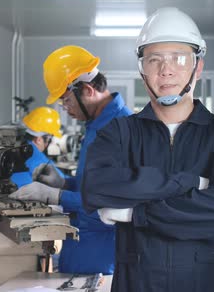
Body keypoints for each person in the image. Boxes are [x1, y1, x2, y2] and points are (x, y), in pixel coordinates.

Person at [81, 7, 214, 291]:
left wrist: (137, 214)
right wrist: (190, 182)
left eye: (179, 58)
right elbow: (95, 187)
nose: (166, 69)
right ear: (141, 68)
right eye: (154, 59)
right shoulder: (120, 133)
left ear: (198, 66)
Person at [9, 45, 132, 275]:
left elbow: (114, 203)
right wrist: (65, 182)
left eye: (66, 100)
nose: (65, 109)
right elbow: (94, 184)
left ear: (87, 90)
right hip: (80, 248)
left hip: (102, 257)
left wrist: (57, 196)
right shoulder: (95, 126)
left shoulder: (122, 130)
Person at [10, 106, 66, 188]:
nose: (49, 143)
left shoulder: (16, 148)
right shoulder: (37, 158)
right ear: (39, 139)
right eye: (50, 138)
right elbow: (61, 181)